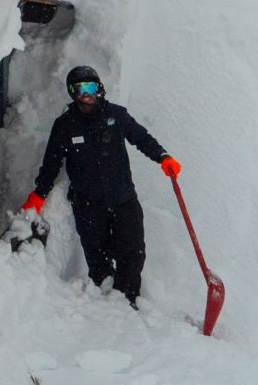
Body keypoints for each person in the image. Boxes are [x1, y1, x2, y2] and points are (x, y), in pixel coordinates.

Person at [21, 65, 181, 308]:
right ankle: (106, 301)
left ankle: (127, 300)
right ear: (72, 92)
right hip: (88, 203)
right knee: (97, 255)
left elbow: (141, 137)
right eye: (79, 88)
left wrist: (162, 156)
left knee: (133, 251)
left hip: (123, 198)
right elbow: (52, 163)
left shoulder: (116, 115)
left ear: (99, 88)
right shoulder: (65, 125)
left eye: (90, 87)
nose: (86, 93)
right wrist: (39, 194)